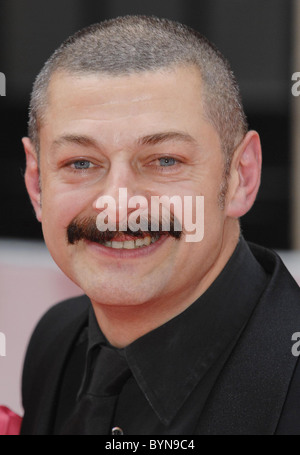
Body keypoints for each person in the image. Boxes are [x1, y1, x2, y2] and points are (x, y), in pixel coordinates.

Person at [20, 15, 300, 435]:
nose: (118, 205)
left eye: (165, 161)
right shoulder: (54, 340)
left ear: (241, 175)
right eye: (80, 163)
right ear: (36, 183)